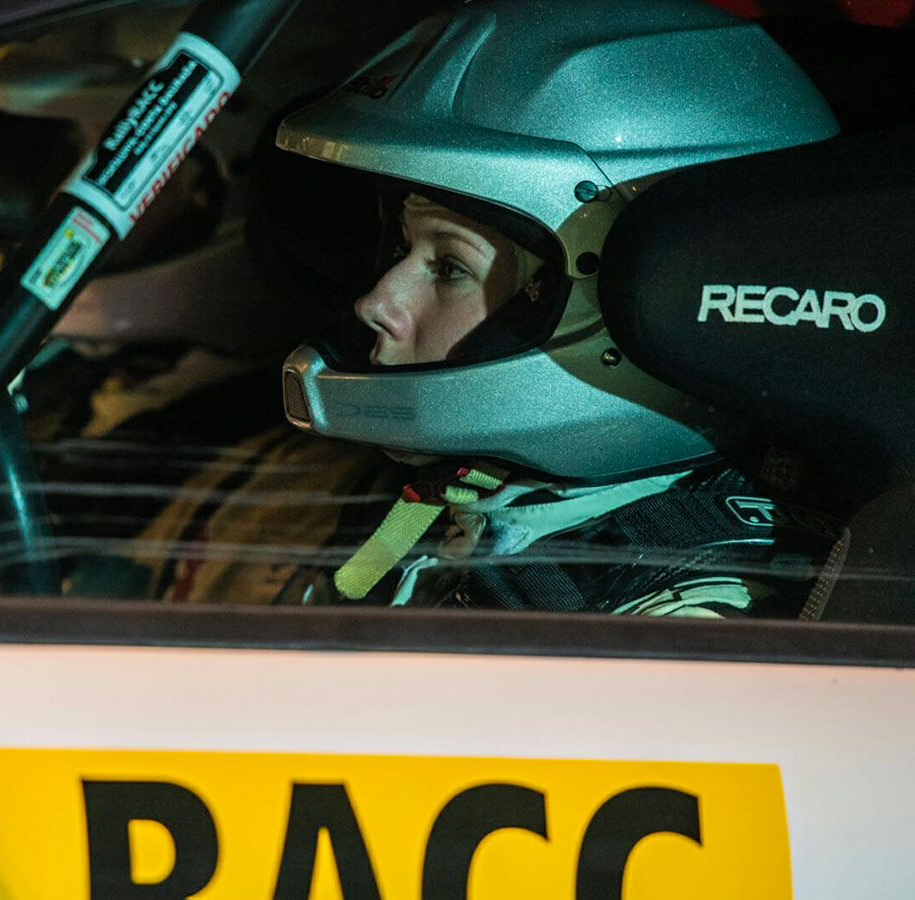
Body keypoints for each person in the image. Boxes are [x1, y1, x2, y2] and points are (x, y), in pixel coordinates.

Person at [157, 0, 850, 614]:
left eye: (449, 267)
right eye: (400, 247)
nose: (375, 301)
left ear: (639, 302)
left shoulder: (685, 624)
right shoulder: (452, 504)